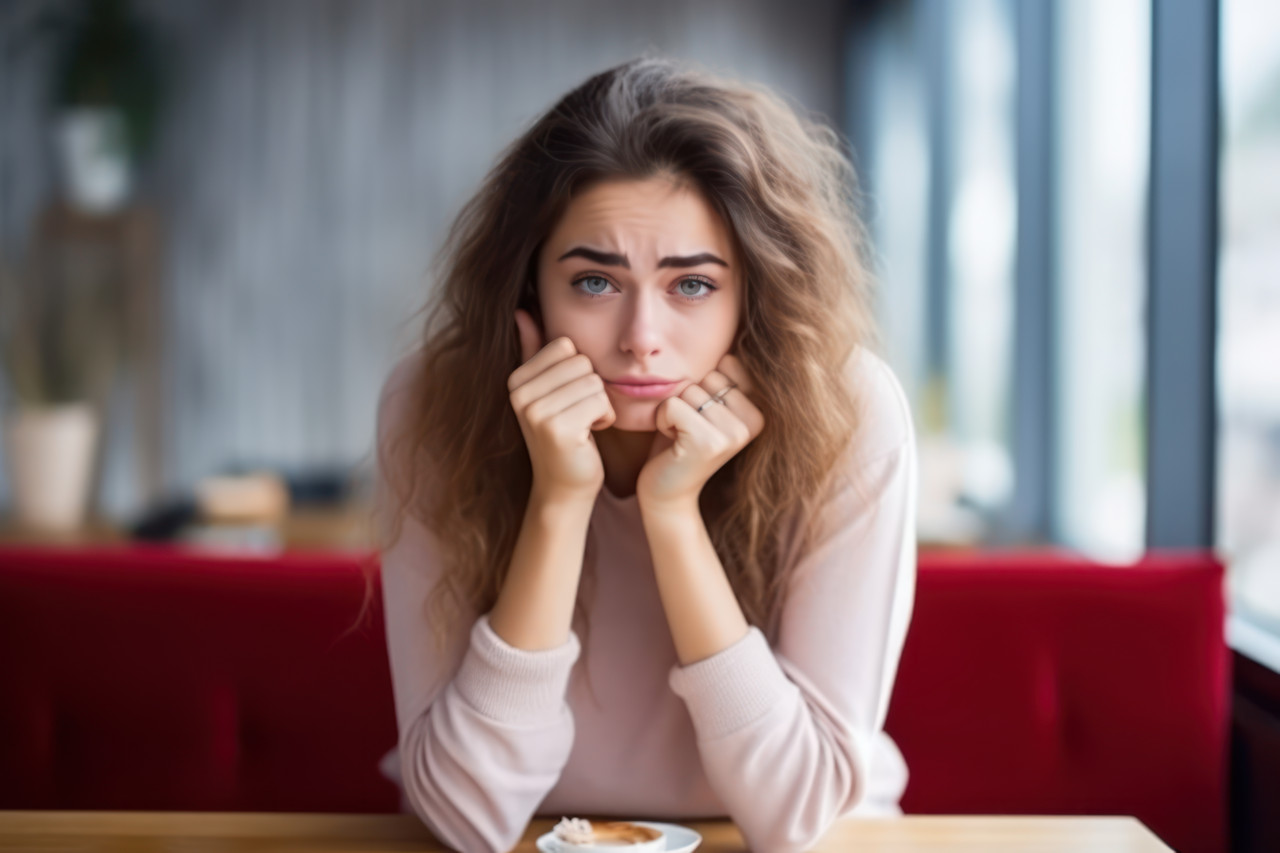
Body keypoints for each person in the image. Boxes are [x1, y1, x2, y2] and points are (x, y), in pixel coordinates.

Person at [372, 55, 917, 853]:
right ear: (526, 293)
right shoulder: (431, 402)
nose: (640, 340)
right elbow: (464, 813)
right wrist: (558, 500)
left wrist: (673, 514)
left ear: (754, 297)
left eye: (691, 285)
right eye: (595, 283)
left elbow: (796, 812)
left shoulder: (850, 411)